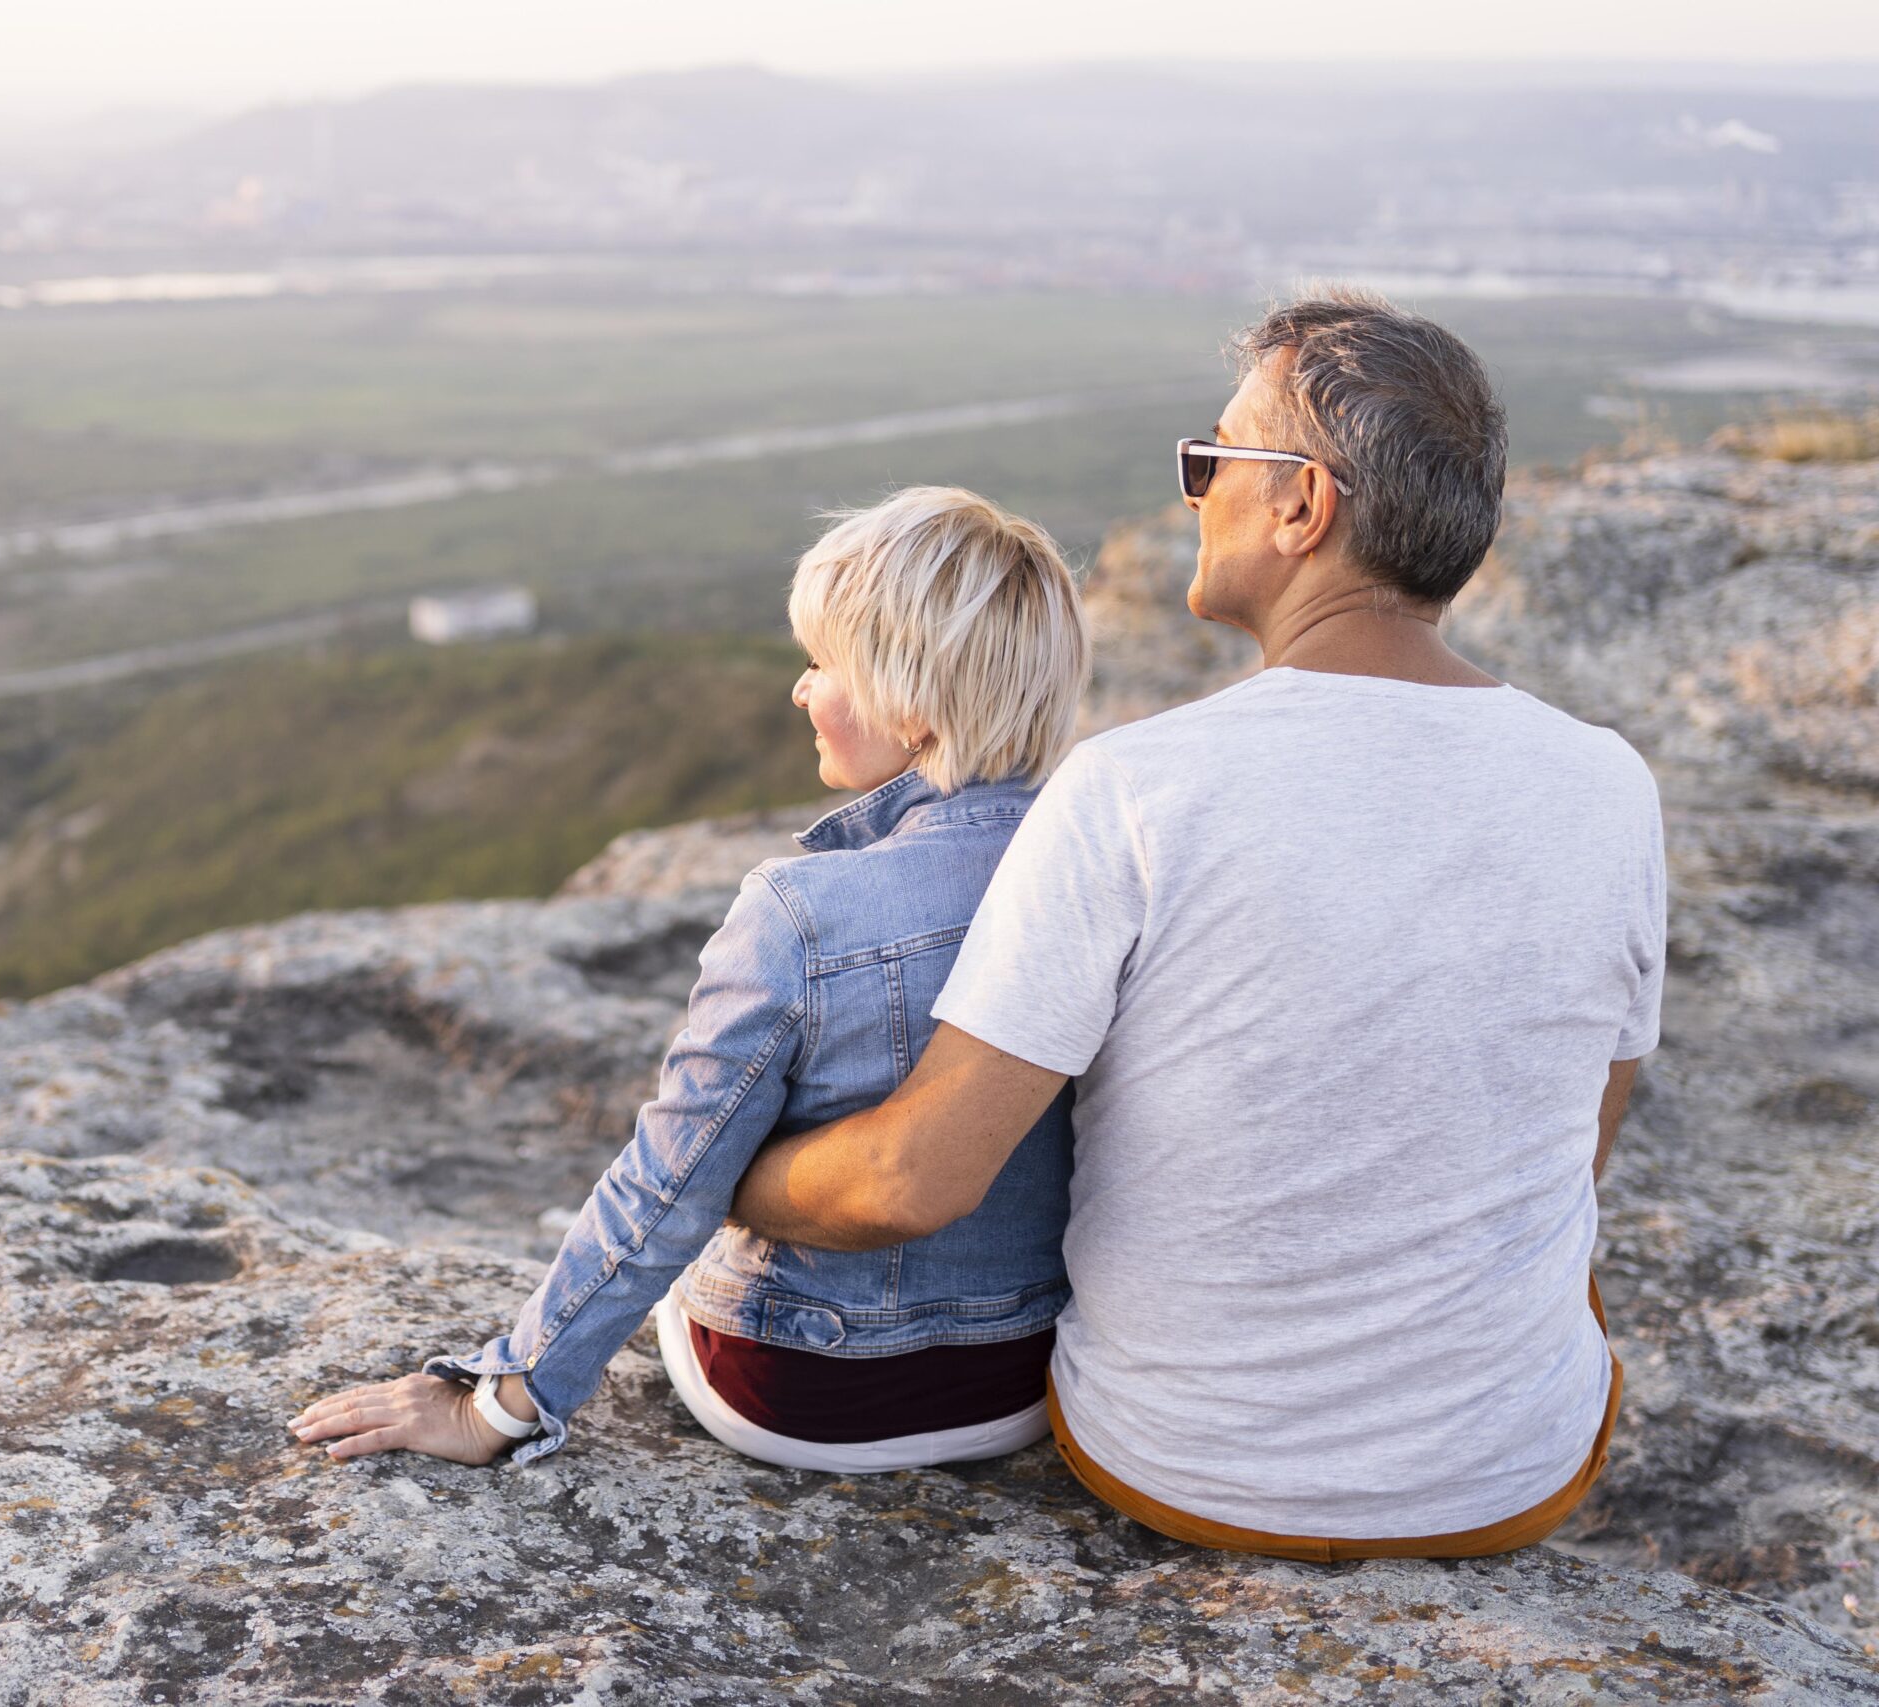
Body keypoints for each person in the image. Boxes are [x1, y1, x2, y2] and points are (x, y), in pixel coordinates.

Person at [728, 290, 1665, 1560]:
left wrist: (722, 1180)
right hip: (1506, 1477)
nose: (1195, 490)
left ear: (1300, 506)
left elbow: (910, 1182)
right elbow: (1583, 1133)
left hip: (1177, 1466)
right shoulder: (1608, 782)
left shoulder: (1133, 788)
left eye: (1212, 458)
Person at [289, 486, 1090, 1469]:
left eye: (820, 664)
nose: (800, 690)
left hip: (813, 1389)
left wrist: (499, 1401)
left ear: (907, 696)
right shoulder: (1109, 869)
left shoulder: (801, 911)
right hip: (1029, 1377)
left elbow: (667, 1181)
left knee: (690, 1210)